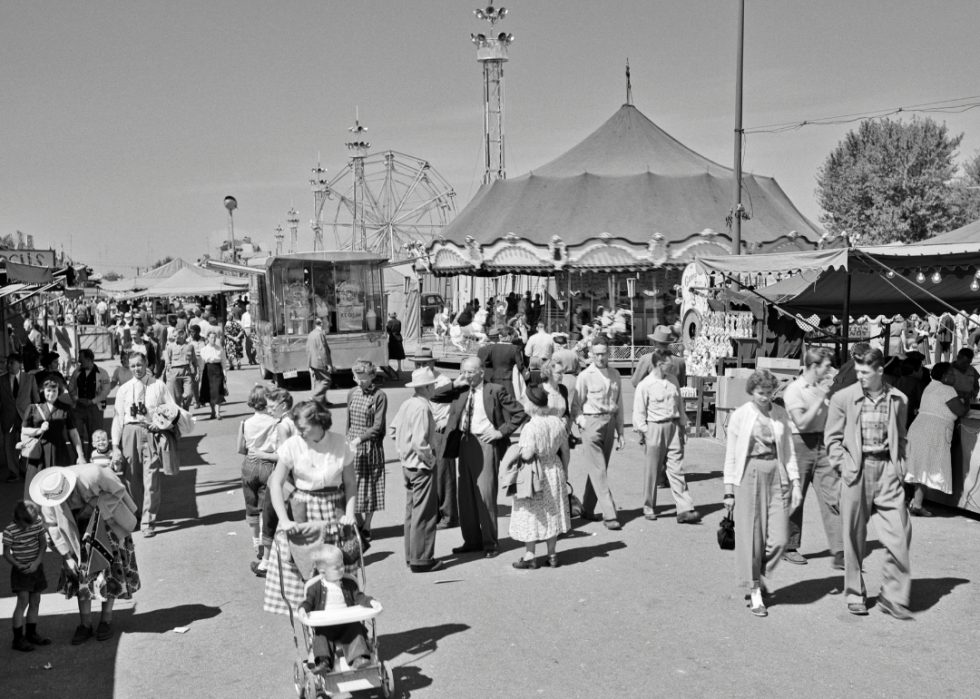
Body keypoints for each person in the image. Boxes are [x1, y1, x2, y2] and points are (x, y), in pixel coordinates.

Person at [825, 347, 914, 619]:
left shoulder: (899, 399)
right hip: (857, 470)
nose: (860, 376)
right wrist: (845, 465)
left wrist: (900, 468)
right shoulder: (842, 398)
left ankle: (893, 594)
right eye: (858, 371)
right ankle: (854, 594)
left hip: (887, 470)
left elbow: (901, 437)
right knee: (853, 537)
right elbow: (832, 440)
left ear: (879, 370)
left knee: (900, 533)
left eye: (865, 372)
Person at [264, 402, 357, 616]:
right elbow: (275, 484)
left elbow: (350, 483)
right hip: (302, 511)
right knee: (303, 572)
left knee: (336, 569)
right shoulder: (292, 445)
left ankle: (340, 631)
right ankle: (313, 635)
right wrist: (284, 521)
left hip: (334, 510)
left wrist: (350, 514)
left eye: (303, 426)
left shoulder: (342, 443)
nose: (299, 430)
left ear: (319, 422)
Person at [723, 369, 802, 617]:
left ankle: (756, 571)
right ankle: (755, 591)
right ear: (751, 392)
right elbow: (732, 454)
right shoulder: (740, 416)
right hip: (749, 473)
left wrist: (796, 482)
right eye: (760, 393)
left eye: (769, 393)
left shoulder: (780, 415)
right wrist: (729, 491)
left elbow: (788, 451)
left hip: (776, 473)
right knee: (753, 536)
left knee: (780, 537)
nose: (765, 397)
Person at [32, 464, 140, 644]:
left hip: (107, 522)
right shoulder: (47, 494)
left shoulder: (94, 474)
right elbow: (52, 527)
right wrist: (67, 557)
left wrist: (110, 511)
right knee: (82, 575)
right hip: (77, 531)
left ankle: (106, 620)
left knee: (111, 572)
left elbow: (119, 490)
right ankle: (85, 624)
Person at [433, 356, 526, 557]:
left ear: (481, 372)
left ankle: (490, 543)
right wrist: (454, 383)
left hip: (486, 444)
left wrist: (501, 432)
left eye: (470, 372)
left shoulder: (495, 390)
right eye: (463, 371)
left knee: (485, 494)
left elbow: (520, 412)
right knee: (465, 496)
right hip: (464, 443)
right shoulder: (460, 389)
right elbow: (434, 396)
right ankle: (471, 541)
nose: (466, 375)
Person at [781, 347, 844, 569]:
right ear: (814, 366)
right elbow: (802, 423)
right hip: (800, 443)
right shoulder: (795, 390)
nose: (831, 369)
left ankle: (840, 550)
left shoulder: (822, 387)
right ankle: (789, 545)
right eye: (827, 365)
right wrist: (822, 398)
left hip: (823, 443)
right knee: (795, 496)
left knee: (832, 497)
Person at [110, 352, 179, 538]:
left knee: (151, 478)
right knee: (131, 478)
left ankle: (148, 521)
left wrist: (160, 424)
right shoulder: (124, 389)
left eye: (139, 365)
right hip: (129, 432)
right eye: (132, 366)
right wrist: (115, 446)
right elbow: (117, 418)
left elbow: (172, 409)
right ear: (128, 367)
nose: (136, 369)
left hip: (151, 433)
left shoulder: (158, 385)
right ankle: (138, 513)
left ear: (146, 363)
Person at [632, 349, 702, 524]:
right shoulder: (645, 385)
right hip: (654, 427)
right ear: (658, 364)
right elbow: (639, 412)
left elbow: (679, 405)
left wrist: (683, 428)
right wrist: (643, 432)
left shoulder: (673, 382)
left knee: (676, 468)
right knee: (652, 471)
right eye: (668, 363)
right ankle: (649, 507)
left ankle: (684, 508)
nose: (672, 366)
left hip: (673, 427)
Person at [506, 384, 571, 569]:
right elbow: (565, 450)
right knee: (552, 511)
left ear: (532, 404)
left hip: (535, 472)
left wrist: (515, 452)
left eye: (525, 398)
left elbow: (527, 454)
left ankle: (530, 555)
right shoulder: (558, 422)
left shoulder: (530, 427)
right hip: (554, 468)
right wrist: (564, 471)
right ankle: (552, 555)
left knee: (532, 512)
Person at [391, 366, 443, 572]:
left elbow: (393, 430)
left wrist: (401, 450)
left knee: (411, 512)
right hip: (421, 466)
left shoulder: (408, 403)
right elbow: (420, 443)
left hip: (407, 464)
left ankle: (412, 556)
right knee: (424, 513)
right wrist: (430, 460)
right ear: (427, 387)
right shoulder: (422, 407)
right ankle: (422, 559)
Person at [571, 337, 626, 530]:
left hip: (609, 422)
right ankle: (610, 514)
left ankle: (587, 508)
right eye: (597, 354)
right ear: (590, 354)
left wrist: (620, 431)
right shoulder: (585, 376)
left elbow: (619, 404)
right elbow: (575, 406)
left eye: (603, 353)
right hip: (592, 422)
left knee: (598, 469)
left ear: (609, 352)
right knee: (599, 470)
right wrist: (582, 422)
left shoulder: (615, 374)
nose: (600, 357)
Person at [905, 362, 968, 517]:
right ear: (945, 376)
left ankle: (915, 502)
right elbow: (960, 411)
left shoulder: (931, 386)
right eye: (952, 374)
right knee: (925, 467)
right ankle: (916, 503)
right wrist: (965, 401)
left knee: (918, 467)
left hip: (920, 428)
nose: (954, 377)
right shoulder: (947, 389)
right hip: (933, 432)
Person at [297, 544, 373, 673]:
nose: (342, 568)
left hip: (347, 623)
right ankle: (323, 662)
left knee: (355, 630)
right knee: (320, 636)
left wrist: (370, 602)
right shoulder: (315, 587)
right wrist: (302, 609)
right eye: (337, 568)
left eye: (342, 564)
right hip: (326, 625)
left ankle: (359, 659)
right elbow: (308, 602)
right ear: (322, 572)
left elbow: (359, 597)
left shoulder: (349, 584)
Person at [410, 348, 456, 529]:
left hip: (439, 430)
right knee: (429, 472)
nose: (421, 366)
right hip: (425, 428)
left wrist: (446, 420)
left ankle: (448, 515)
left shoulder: (443, 380)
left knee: (444, 473)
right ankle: (435, 512)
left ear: (432, 363)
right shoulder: (417, 376)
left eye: (424, 363)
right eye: (418, 363)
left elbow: (454, 404)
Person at [346, 360, 387, 545]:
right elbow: (348, 422)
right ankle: (357, 523)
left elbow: (377, 427)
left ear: (372, 376)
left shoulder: (379, 396)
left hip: (370, 446)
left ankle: (367, 525)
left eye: (362, 378)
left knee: (370, 487)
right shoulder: (352, 393)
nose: (358, 382)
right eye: (356, 378)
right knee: (350, 485)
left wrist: (359, 439)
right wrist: (347, 441)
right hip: (352, 445)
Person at [21, 378, 87, 494]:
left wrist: (80, 455)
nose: (51, 394)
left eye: (54, 391)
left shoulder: (65, 408)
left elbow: (73, 433)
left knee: (60, 487)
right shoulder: (33, 408)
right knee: (36, 487)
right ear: (42, 391)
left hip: (59, 451)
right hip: (38, 452)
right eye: (48, 390)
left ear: (59, 391)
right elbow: (24, 430)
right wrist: (39, 430)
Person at [239, 385, 280, 569]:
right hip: (267, 464)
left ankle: (255, 541)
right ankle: (265, 543)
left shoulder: (245, 423)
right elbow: (276, 445)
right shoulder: (274, 422)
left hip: (249, 464)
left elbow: (241, 448)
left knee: (251, 506)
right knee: (266, 508)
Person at [3, 500, 51, 651]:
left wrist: (37, 562)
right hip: (21, 571)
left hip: (36, 568)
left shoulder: (37, 522)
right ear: (16, 518)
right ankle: (18, 639)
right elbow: (6, 553)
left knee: (35, 601)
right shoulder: (10, 531)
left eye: (30, 524)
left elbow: (43, 544)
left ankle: (31, 633)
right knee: (22, 602)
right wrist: (18, 565)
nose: (28, 528)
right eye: (24, 525)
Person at [64, 350, 109, 463]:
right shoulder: (76, 372)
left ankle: (94, 459)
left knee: (95, 435)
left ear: (89, 359)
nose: (79, 361)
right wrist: (76, 399)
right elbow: (71, 387)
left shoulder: (102, 373)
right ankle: (79, 459)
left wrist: (92, 401)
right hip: (78, 408)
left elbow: (105, 391)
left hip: (95, 408)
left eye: (81, 359)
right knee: (77, 434)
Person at [1, 354, 40, 483]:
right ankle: (13, 472)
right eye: (8, 363)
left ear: (19, 364)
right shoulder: (2, 380)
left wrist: (37, 417)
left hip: (26, 417)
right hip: (8, 418)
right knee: (9, 446)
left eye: (12, 363)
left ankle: (25, 469)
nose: (9, 365)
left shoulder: (29, 379)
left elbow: (36, 399)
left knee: (27, 444)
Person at [477, 327, 525, 401]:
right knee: (509, 402)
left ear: (500, 336)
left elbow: (482, 360)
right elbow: (520, 366)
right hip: (509, 379)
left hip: (493, 379)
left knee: (495, 401)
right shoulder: (515, 348)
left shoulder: (491, 347)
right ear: (511, 336)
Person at [164, 328, 197, 410]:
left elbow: (194, 361)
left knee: (189, 394)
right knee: (176, 396)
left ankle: (185, 408)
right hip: (174, 372)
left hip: (187, 372)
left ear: (182, 335)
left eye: (175, 336)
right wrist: (168, 367)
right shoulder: (170, 346)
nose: (173, 337)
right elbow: (167, 359)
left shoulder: (190, 346)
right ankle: (180, 414)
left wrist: (197, 373)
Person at [198, 331, 227, 419]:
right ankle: (213, 412)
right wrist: (199, 375)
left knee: (218, 391)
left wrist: (225, 374)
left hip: (218, 371)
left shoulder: (220, 349)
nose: (213, 339)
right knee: (210, 392)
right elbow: (201, 364)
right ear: (207, 338)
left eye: (214, 337)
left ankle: (218, 413)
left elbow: (224, 362)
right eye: (211, 337)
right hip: (208, 371)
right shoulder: (203, 350)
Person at [307, 318, 334, 407]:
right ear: (322, 324)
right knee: (326, 380)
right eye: (326, 323)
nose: (328, 324)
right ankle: (314, 397)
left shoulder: (311, 334)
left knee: (319, 382)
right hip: (320, 362)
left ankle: (320, 403)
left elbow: (308, 349)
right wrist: (327, 364)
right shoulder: (319, 334)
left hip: (313, 362)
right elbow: (322, 350)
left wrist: (309, 364)